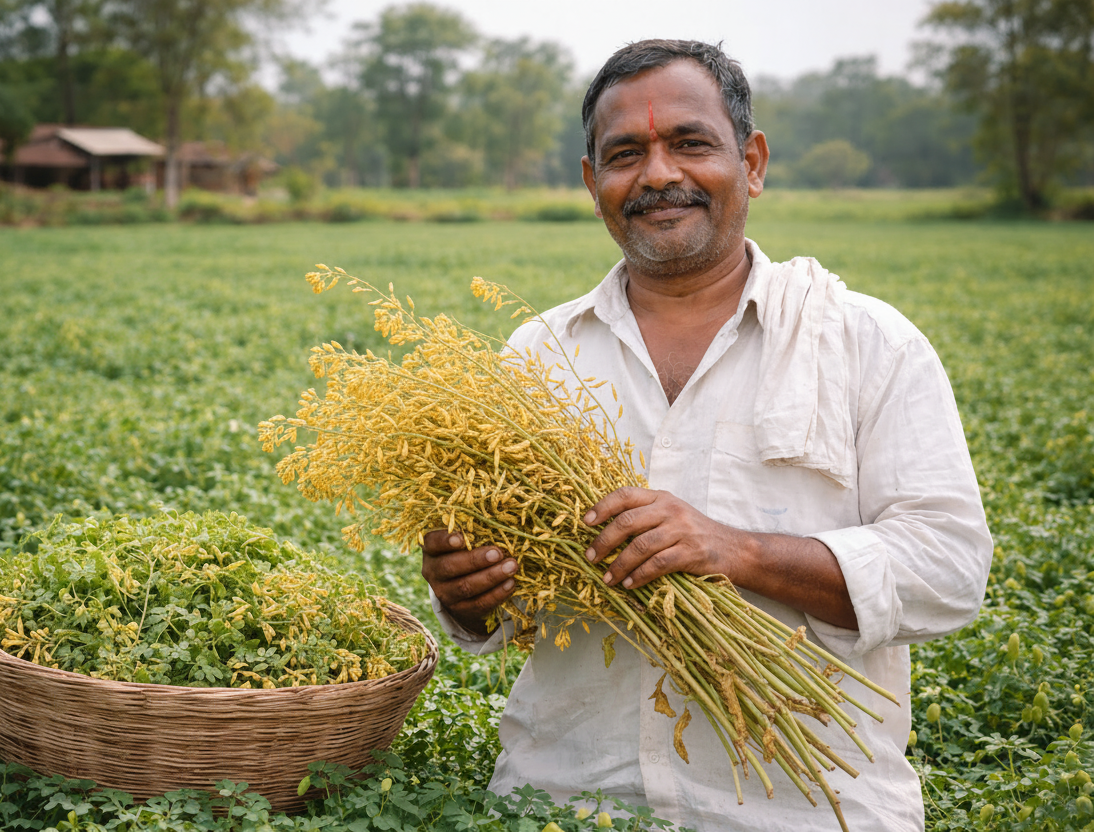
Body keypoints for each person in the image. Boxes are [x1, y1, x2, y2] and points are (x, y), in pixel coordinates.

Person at [420, 39, 993, 832]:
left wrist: (736, 550)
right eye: (625, 154)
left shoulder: (870, 343)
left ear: (751, 162)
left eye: (689, 143)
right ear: (594, 185)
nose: (658, 175)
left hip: (809, 809)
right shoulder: (537, 359)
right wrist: (466, 592)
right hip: (563, 804)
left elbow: (950, 567)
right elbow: (506, 610)